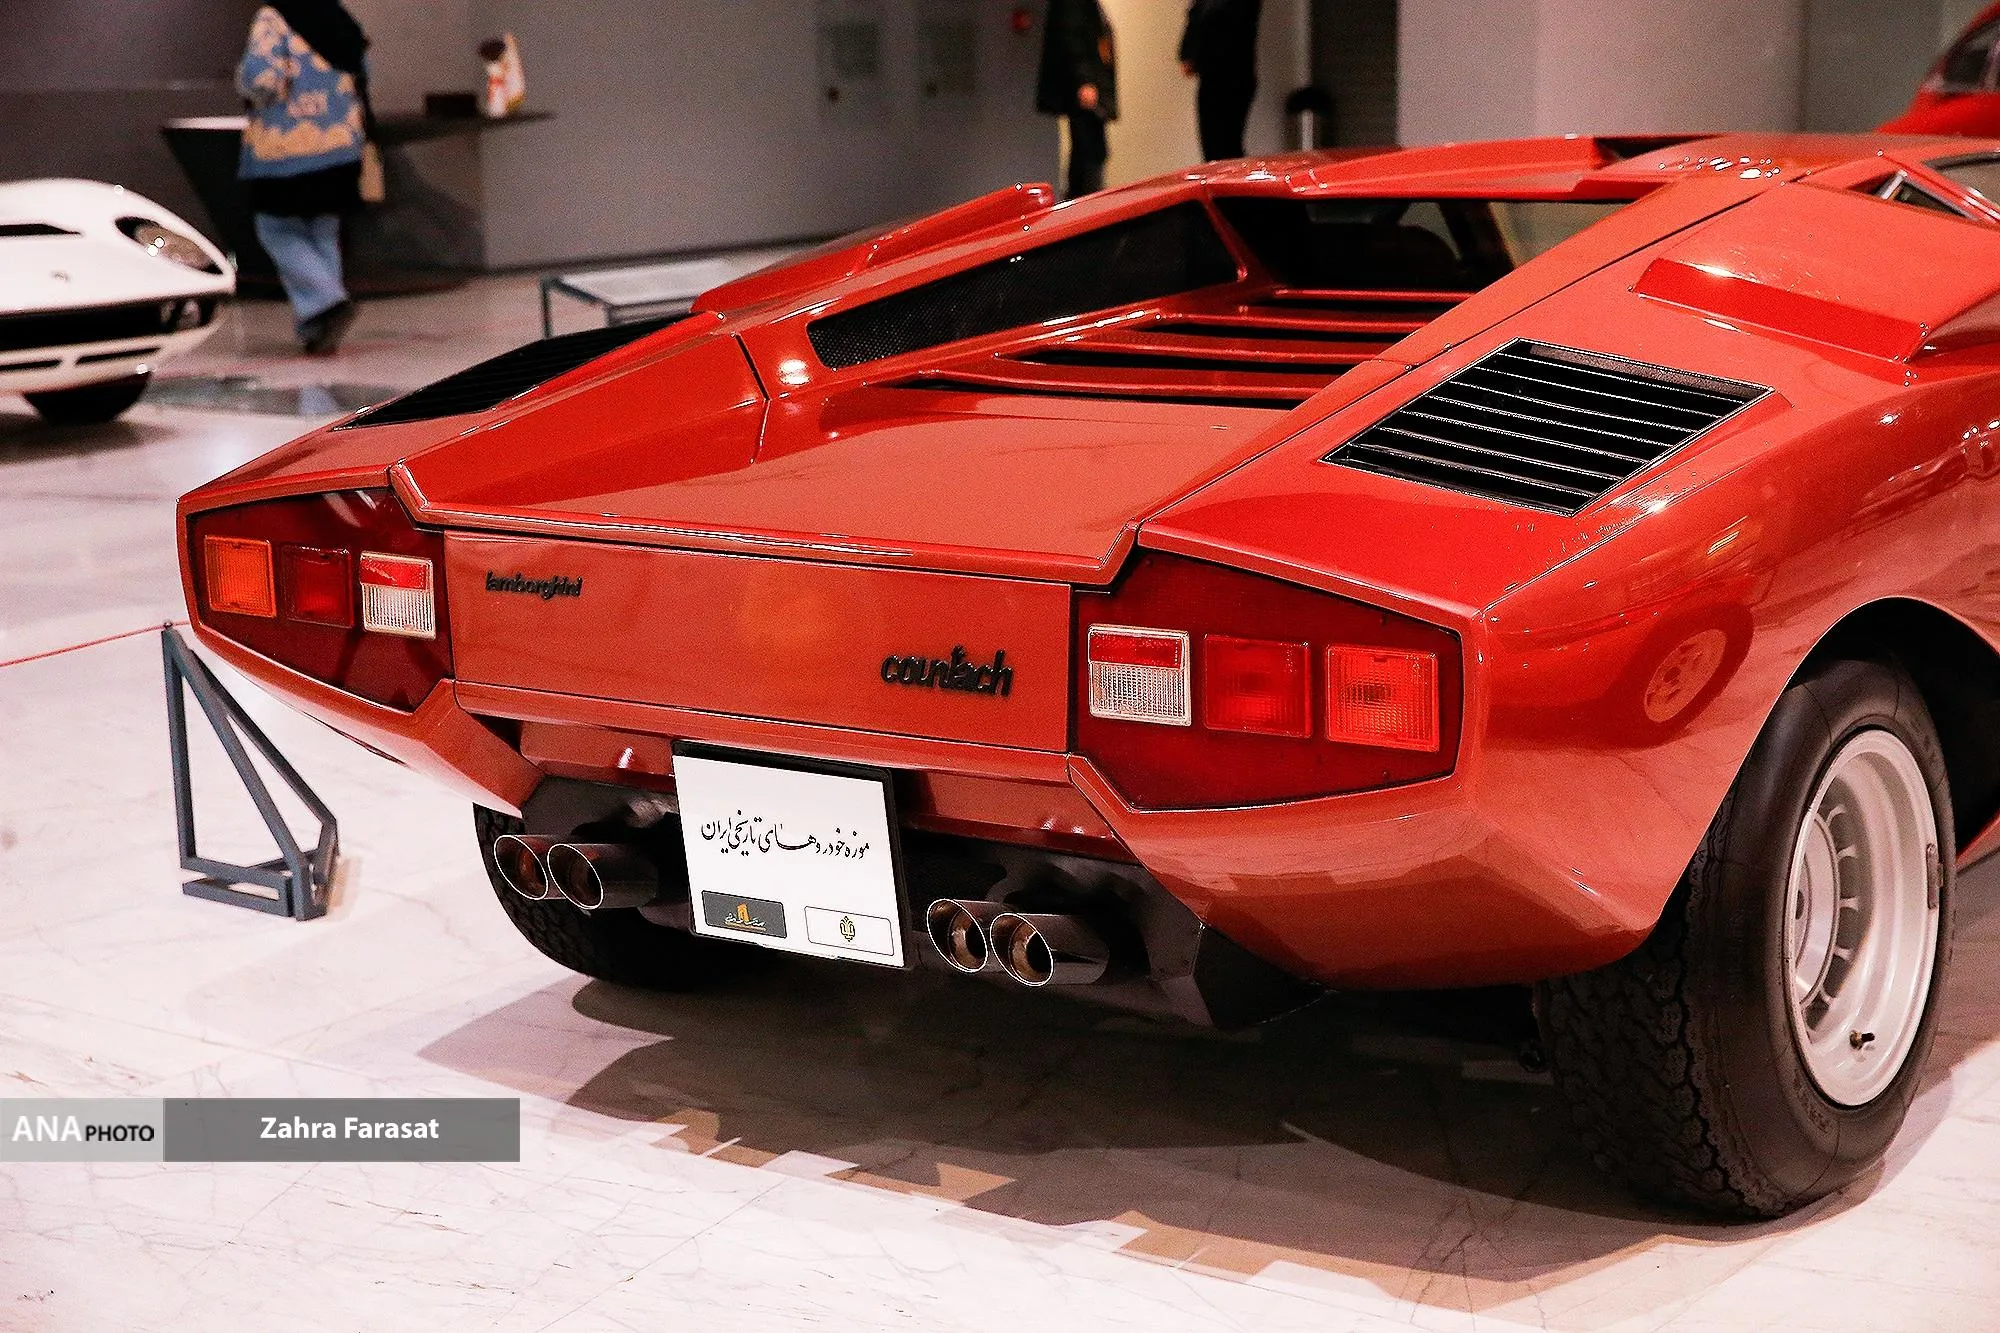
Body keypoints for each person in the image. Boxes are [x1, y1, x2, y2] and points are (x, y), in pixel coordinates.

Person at [236, 1, 374, 355]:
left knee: (275, 229)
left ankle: (327, 302)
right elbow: (362, 71)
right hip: (341, 147)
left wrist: (240, 79)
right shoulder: (337, 16)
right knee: (322, 232)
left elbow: (261, 79)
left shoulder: (274, 17)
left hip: (288, 148)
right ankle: (315, 328)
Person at [1037, 0, 1118, 199]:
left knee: (1090, 151)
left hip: (1087, 86)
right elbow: (1072, 38)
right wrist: (1084, 80)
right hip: (1084, 90)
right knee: (1088, 153)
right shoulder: (1073, 5)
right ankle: (1087, 202)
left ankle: (1087, 198)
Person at [1179, 0, 1263, 162]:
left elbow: (1214, 22)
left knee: (1224, 148)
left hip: (1232, 74)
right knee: (1217, 149)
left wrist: (1190, 54)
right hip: (1218, 75)